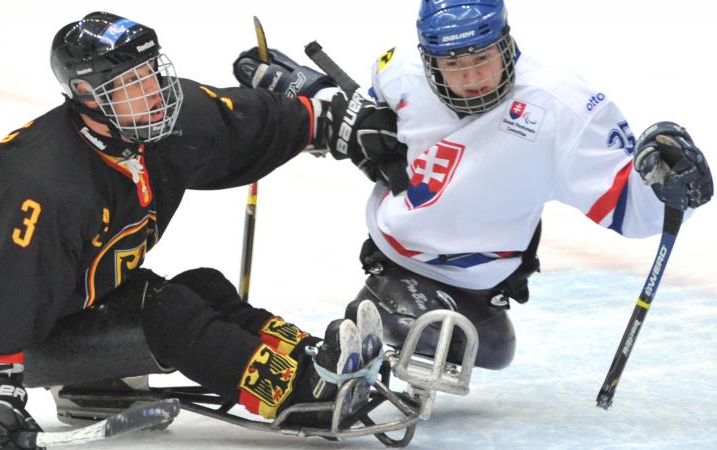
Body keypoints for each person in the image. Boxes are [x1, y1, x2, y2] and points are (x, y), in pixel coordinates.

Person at [0, 12, 403, 449]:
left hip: (86, 303)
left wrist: (332, 122)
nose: (152, 91)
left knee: (204, 286)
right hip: (12, 346)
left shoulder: (156, 123)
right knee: (168, 311)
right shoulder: (45, 182)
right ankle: (296, 395)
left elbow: (240, 121)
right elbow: (8, 291)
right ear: (87, 95)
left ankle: (309, 364)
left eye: (150, 72)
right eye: (130, 84)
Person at [234, 0, 712, 372]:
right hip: (401, 256)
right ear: (427, 58)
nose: (471, 78)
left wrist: (670, 189)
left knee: (485, 347)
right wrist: (308, 96)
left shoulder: (563, 109)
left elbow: (633, 212)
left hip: (487, 281)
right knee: (419, 329)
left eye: (481, 58)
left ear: (507, 42)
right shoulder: (400, 72)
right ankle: (369, 318)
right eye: (452, 64)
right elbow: (364, 128)